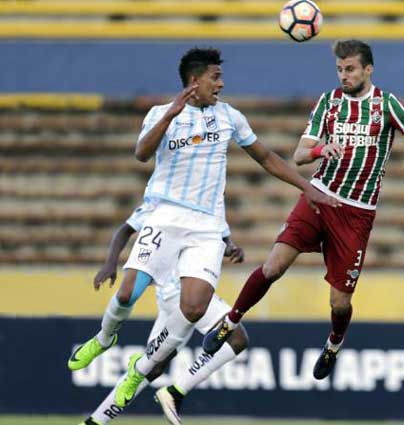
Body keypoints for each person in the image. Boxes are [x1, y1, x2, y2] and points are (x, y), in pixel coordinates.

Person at [202, 39, 404, 381]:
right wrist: (320, 151)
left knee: (339, 304)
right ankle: (230, 322)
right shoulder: (329, 103)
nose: (344, 76)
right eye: (340, 69)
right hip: (319, 197)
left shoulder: (388, 105)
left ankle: (333, 343)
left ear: (368, 69)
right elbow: (299, 154)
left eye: (351, 69)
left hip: (357, 213)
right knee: (273, 266)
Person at [112, 46, 338, 407]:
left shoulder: (229, 117)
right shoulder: (161, 115)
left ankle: (151, 379)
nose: (221, 83)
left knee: (193, 311)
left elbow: (265, 157)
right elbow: (141, 154)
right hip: (166, 230)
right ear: (194, 81)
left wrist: (307, 187)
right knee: (130, 297)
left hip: (203, 235)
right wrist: (170, 114)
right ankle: (123, 358)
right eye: (215, 77)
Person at [73, 203, 245, 425]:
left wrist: (232, 248)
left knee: (151, 368)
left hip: (173, 296)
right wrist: (111, 263)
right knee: (236, 337)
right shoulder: (167, 200)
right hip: (181, 292)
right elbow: (125, 229)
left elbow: (222, 238)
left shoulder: (212, 205)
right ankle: (175, 391)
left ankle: (94, 422)